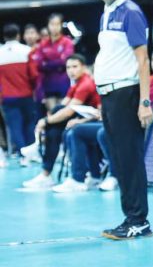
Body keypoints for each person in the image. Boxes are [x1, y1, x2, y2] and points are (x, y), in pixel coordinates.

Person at [93, 0, 153, 240]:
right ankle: (130, 217)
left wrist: (144, 102)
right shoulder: (107, 13)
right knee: (119, 159)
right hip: (109, 96)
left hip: (127, 95)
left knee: (130, 159)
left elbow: (143, 61)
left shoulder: (130, 13)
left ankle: (138, 220)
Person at [21, 54, 101, 189]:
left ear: (84, 68)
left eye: (75, 67)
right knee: (56, 115)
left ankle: (45, 170)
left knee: (57, 127)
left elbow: (68, 111)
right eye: (68, 67)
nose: (71, 70)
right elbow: (63, 106)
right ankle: (42, 158)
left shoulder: (85, 84)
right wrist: (50, 118)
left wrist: (45, 121)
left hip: (93, 119)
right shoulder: (76, 84)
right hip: (82, 117)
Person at [0, 23, 37, 161]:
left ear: (4, 37)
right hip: (26, 95)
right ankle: (31, 153)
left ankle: (22, 154)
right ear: (18, 35)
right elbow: (34, 75)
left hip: (7, 97)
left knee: (15, 126)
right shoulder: (27, 51)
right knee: (29, 124)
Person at [33, 13, 74, 111]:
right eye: (52, 24)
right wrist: (57, 63)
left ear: (61, 25)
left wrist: (47, 64)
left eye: (57, 24)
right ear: (48, 25)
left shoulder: (67, 42)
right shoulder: (43, 44)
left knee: (62, 113)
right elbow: (38, 64)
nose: (54, 27)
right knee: (52, 114)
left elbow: (65, 61)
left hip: (64, 83)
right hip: (48, 85)